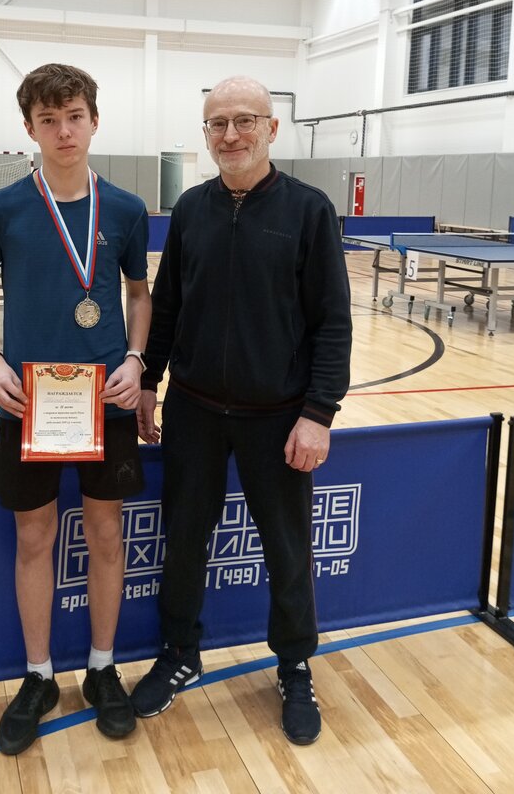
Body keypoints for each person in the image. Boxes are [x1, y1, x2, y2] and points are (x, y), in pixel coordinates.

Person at [130, 75, 351, 745]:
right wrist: (149, 382)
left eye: (244, 120)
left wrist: (319, 412)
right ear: (206, 134)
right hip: (194, 411)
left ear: (271, 128)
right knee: (183, 542)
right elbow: (167, 305)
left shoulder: (310, 211)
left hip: (279, 417)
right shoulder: (190, 209)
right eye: (217, 123)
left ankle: (295, 665)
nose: (230, 134)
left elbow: (332, 323)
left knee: (287, 550)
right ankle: (180, 653)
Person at [0, 63, 151, 755]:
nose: (63, 131)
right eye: (49, 120)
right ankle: (38, 676)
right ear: (30, 128)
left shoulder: (126, 209)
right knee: (34, 539)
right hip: (28, 405)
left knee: (106, 535)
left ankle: (102, 668)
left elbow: (139, 295)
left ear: (94, 121)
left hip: (108, 404)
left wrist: (136, 360)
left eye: (74, 116)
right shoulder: (2, 208)